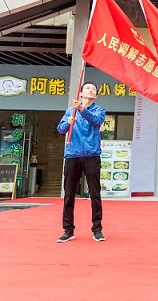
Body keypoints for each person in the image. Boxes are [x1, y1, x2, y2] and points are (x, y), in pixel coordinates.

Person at [55, 82, 106, 243]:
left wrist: (82, 109)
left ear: (95, 95)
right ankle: (68, 230)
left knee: (95, 193)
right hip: (73, 154)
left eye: (93, 89)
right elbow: (60, 129)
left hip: (91, 155)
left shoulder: (99, 110)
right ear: (81, 93)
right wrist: (68, 122)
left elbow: (96, 121)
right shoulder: (70, 111)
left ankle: (97, 229)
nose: (91, 90)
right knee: (69, 194)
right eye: (88, 88)